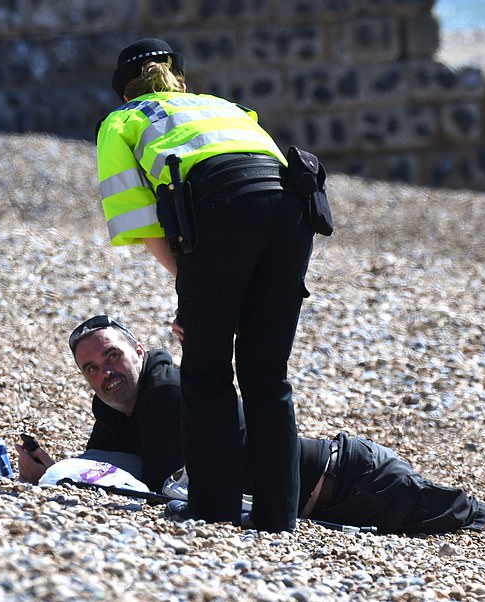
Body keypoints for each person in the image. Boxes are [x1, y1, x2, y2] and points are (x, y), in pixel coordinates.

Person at [16, 317, 485, 573]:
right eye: (90, 368)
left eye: (111, 357)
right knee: (480, 509)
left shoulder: (167, 387)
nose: (104, 374)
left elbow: (165, 478)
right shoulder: (122, 408)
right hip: (349, 475)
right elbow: (118, 469)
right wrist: (53, 474)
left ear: (138, 350)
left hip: (345, 480)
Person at [94, 37, 315, 532]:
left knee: (206, 367)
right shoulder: (222, 106)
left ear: (123, 93)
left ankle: (213, 509)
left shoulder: (121, 122)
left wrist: (198, 290)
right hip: (294, 210)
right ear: (182, 81)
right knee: (267, 372)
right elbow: (260, 172)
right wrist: (221, 288)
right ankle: (278, 518)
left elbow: (144, 224)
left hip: (225, 209)